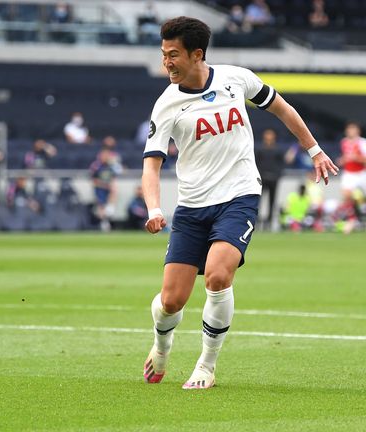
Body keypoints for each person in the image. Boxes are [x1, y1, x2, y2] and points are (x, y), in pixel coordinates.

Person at [141, 16, 338, 390]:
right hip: (192, 207)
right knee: (171, 300)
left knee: (218, 275)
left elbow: (282, 108)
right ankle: (161, 346)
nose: (166, 62)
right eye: (164, 54)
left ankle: (206, 365)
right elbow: (151, 165)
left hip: (239, 196)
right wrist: (154, 208)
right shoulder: (166, 104)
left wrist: (313, 150)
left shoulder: (237, 78)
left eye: (173, 54)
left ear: (196, 54)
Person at [254, 128, 285, 226]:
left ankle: (269, 220)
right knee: (259, 200)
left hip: (273, 178)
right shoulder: (259, 149)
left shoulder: (278, 150)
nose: (268, 137)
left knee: (272, 199)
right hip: (262, 179)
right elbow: (256, 164)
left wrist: (277, 175)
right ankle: (257, 219)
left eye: (270, 135)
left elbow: (281, 165)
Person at [90, 148, 120, 232]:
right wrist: (106, 185)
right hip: (100, 190)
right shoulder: (96, 166)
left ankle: (106, 221)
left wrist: (112, 186)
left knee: (108, 208)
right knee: (101, 208)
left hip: (109, 191)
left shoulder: (111, 166)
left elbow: (116, 175)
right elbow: (94, 181)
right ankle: (103, 223)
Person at [338, 121, 366, 195]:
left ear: (358, 130)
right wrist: (341, 160)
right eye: (349, 128)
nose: (350, 130)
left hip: (361, 173)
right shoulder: (343, 142)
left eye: (353, 128)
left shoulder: (363, 142)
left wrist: (356, 158)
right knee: (346, 195)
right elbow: (344, 158)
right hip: (349, 173)